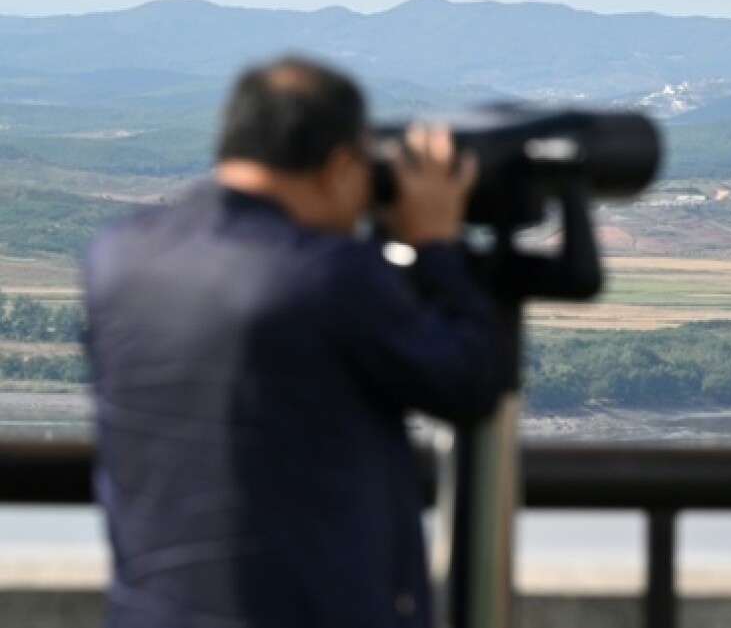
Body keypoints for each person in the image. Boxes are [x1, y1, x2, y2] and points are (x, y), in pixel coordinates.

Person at [84, 57, 500, 627]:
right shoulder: (326, 275)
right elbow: (470, 381)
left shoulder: (118, 257)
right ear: (341, 166)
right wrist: (435, 246)